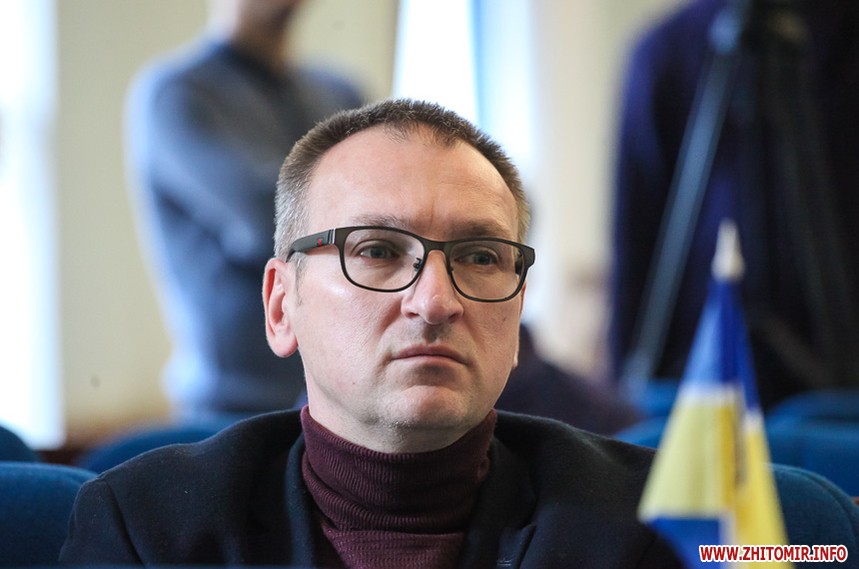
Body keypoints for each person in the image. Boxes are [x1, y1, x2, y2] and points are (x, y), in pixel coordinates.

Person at [60, 99, 859, 567]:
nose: (435, 300)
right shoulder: (148, 529)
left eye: (479, 257)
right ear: (280, 305)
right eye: (377, 250)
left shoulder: (659, 525)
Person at [609, 0, 859, 408]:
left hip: (839, 398)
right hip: (698, 384)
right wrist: (621, 408)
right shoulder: (664, 54)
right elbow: (634, 245)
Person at [125, 0, 363, 421]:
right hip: (234, 401)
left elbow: (385, 207)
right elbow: (269, 218)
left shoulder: (339, 92)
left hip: (344, 392)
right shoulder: (179, 95)